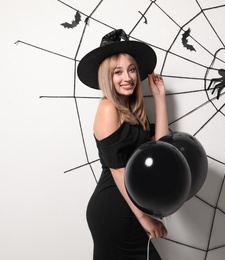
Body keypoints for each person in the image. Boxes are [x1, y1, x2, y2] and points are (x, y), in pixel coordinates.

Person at [77, 29, 169, 260]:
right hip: (114, 210)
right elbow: (118, 169)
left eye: (131, 70)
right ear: (107, 77)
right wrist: (143, 218)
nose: (127, 78)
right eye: (117, 72)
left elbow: (162, 148)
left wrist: (159, 99)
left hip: (130, 206)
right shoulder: (108, 108)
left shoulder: (133, 112)